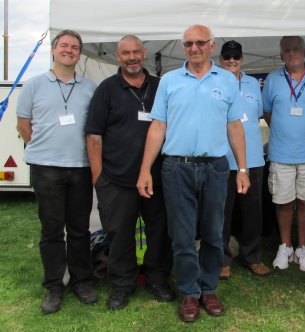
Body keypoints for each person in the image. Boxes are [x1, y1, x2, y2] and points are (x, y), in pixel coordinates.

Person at [136, 25, 250, 323]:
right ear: (183, 47)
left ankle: (208, 288)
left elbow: (234, 126)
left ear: (212, 46)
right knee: (182, 236)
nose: (194, 47)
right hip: (176, 168)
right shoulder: (170, 81)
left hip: (215, 168)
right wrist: (145, 169)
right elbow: (157, 126)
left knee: (214, 233)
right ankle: (189, 292)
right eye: (188, 43)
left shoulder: (226, 80)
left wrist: (242, 169)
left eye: (200, 42)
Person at [85, 35, 174, 310]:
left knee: (160, 233)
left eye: (137, 52)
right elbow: (94, 136)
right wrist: (99, 178)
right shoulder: (107, 89)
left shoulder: (161, 86)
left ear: (144, 53)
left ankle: (156, 279)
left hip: (157, 179)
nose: (133, 57)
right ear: (117, 56)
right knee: (119, 235)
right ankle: (122, 285)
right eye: (126, 53)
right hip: (117, 181)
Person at [16, 30, 98, 314]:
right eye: (64, 45)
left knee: (79, 229)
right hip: (46, 168)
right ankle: (53, 286)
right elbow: (23, 124)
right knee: (52, 230)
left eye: (75, 47)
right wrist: (43, 149)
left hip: (80, 168)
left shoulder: (89, 87)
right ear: (53, 50)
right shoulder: (34, 84)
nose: (69, 50)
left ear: (79, 54)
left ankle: (81, 281)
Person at [262, 36, 305, 272]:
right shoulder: (272, 79)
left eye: (296, 50)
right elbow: (267, 113)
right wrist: (286, 131)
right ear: (281, 55)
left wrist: (304, 130)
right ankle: (285, 246)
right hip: (281, 153)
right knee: (283, 202)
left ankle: (303, 248)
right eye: (287, 50)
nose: (292, 53)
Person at [217, 40, 271, 280]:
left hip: (252, 160)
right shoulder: (214, 81)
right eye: (227, 56)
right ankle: (222, 259)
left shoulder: (253, 84)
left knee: (252, 212)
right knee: (222, 212)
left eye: (235, 56)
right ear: (220, 59)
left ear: (242, 59)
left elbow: (258, 115)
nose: (231, 60)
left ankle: (253, 257)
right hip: (222, 158)